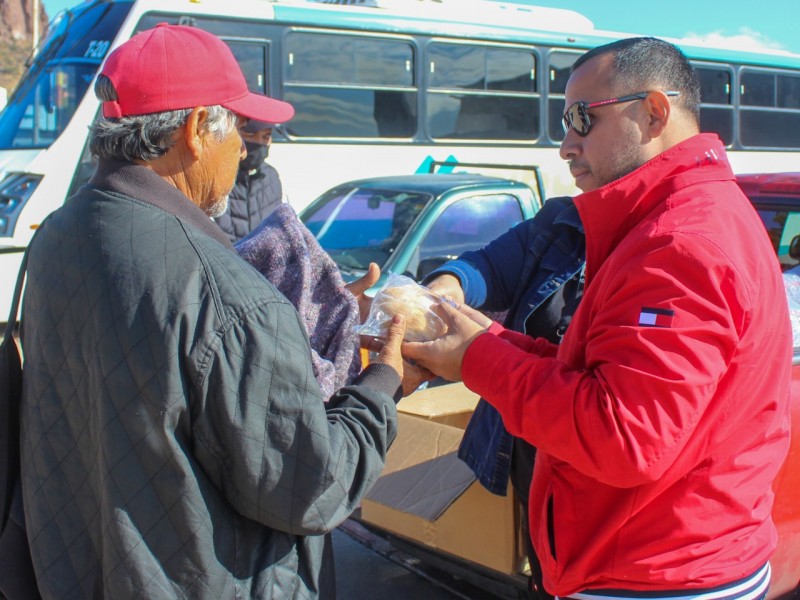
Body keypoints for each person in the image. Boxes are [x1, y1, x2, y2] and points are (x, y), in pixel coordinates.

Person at [19, 24, 410, 599]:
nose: (246, 148)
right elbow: (309, 488)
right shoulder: (228, 296)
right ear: (199, 129)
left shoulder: (57, 235)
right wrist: (384, 380)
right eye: (241, 130)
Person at [404, 36, 791, 600]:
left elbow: (623, 436)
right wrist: (484, 339)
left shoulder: (680, 243)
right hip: (665, 556)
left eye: (582, 118)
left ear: (655, 111)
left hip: (657, 573)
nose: (566, 145)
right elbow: (599, 377)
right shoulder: (679, 219)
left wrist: (478, 356)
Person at [422, 197, 584, 600]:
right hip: (534, 451)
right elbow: (489, 266)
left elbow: (612, 415)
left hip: (590, 471)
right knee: (548, 572)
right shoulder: (563, 221)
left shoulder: (657, 244)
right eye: (564, 128)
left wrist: (477, 357)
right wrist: (447, 288)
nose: (567, 148)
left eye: (584, 127)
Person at [215, 119, 284, 243]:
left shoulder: (271, 177)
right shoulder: (217, 175)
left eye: (266, 136)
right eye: (250, 136)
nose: (258, 143)